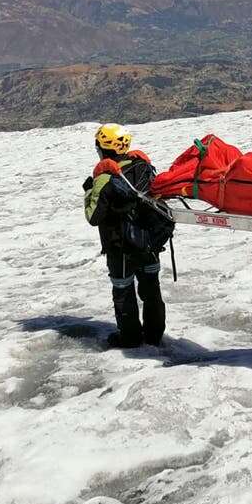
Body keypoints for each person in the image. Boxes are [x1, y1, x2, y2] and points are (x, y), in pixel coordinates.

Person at [83, 123, 167, 348]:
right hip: (149, 243)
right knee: (151, 289)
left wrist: (89, 191)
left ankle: (129, 339)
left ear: (103, 147)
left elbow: (93, 217)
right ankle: (154, 336)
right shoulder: (144, 167)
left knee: (123, 291)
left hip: (120, 246)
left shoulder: (104, 177)